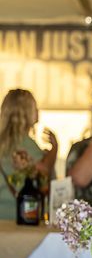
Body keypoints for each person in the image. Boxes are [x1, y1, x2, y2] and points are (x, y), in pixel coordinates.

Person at [0, 88, 57, 220]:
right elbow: (44, 170)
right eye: (35, 107)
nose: (38, 112)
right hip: (20, 217)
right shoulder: (25, 143)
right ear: (26, 112)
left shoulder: (4, 142)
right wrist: (55, 148)